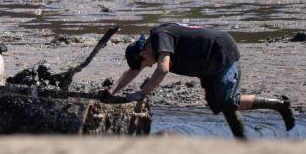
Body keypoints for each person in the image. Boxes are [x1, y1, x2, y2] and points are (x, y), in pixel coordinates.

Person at [112, 22, 294, 138]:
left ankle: (279, 105)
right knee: (221, 106)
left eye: (145, 64)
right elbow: (132, 71)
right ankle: (242, 144)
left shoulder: (161, 36)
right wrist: (112, 92)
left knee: (229, 102)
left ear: (143, 53)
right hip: (206, 66)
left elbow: (163, 68)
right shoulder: (152, 48)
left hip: (221, 52)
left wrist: (142, 92)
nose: (148, 67)